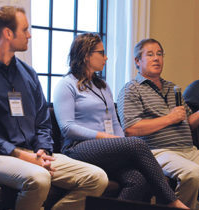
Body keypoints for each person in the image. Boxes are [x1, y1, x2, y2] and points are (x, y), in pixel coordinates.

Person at [53, 33, 188, 209]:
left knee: (137, 180)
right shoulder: (66, 85)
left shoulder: (103, 86)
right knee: (137, 144)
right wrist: (108, 138)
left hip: (106, 149)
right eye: (101, 53)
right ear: (86, 56)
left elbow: (115, 122)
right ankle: (172, 201)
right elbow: (67, 128)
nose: (106, 57)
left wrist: (119, 140)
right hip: (77, 148)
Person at [0, 6, 109, 210]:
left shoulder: (28, 74)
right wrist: (23, 156)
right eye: (24, 30)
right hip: (3, 156)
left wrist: (42, 151)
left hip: (34, 153)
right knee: (39, 178)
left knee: (97, 178)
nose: (29, 35)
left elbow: (43, 122)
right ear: (7, 33)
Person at [117, 38, 199, 210]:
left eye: (160, 54)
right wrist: (169, 118)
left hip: (189, 150)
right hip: (158, 151)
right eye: (150, 54)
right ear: (137, 61)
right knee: (192, 173)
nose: (156, 58)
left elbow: (189, 124)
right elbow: (131, 129)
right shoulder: (131, 89)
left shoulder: (172, 88)